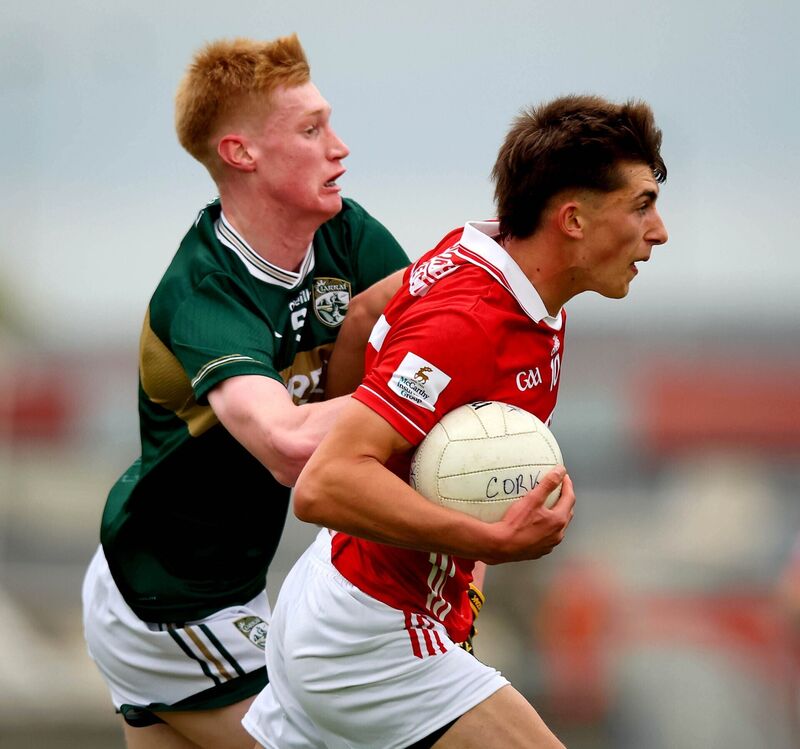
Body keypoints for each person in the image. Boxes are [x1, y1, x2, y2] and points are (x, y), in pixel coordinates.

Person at [242, 94, 669, 749]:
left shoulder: (503, 268)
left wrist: (391, 458)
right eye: (642, 205)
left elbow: (365, 313)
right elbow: (323, 486)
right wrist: (488, 539)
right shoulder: (468, 324)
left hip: (342, 593)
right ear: (573, 219)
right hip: (368, 635)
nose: (659, 230)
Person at [80, 34, 409, 749]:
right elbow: (288, 447)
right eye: (311, 130)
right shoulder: (205, 293)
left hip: (228, 588)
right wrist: (419, 394)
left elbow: (428, 326)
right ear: (240, 153)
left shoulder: (345, 234)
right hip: (167, 599)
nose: (340, 147)